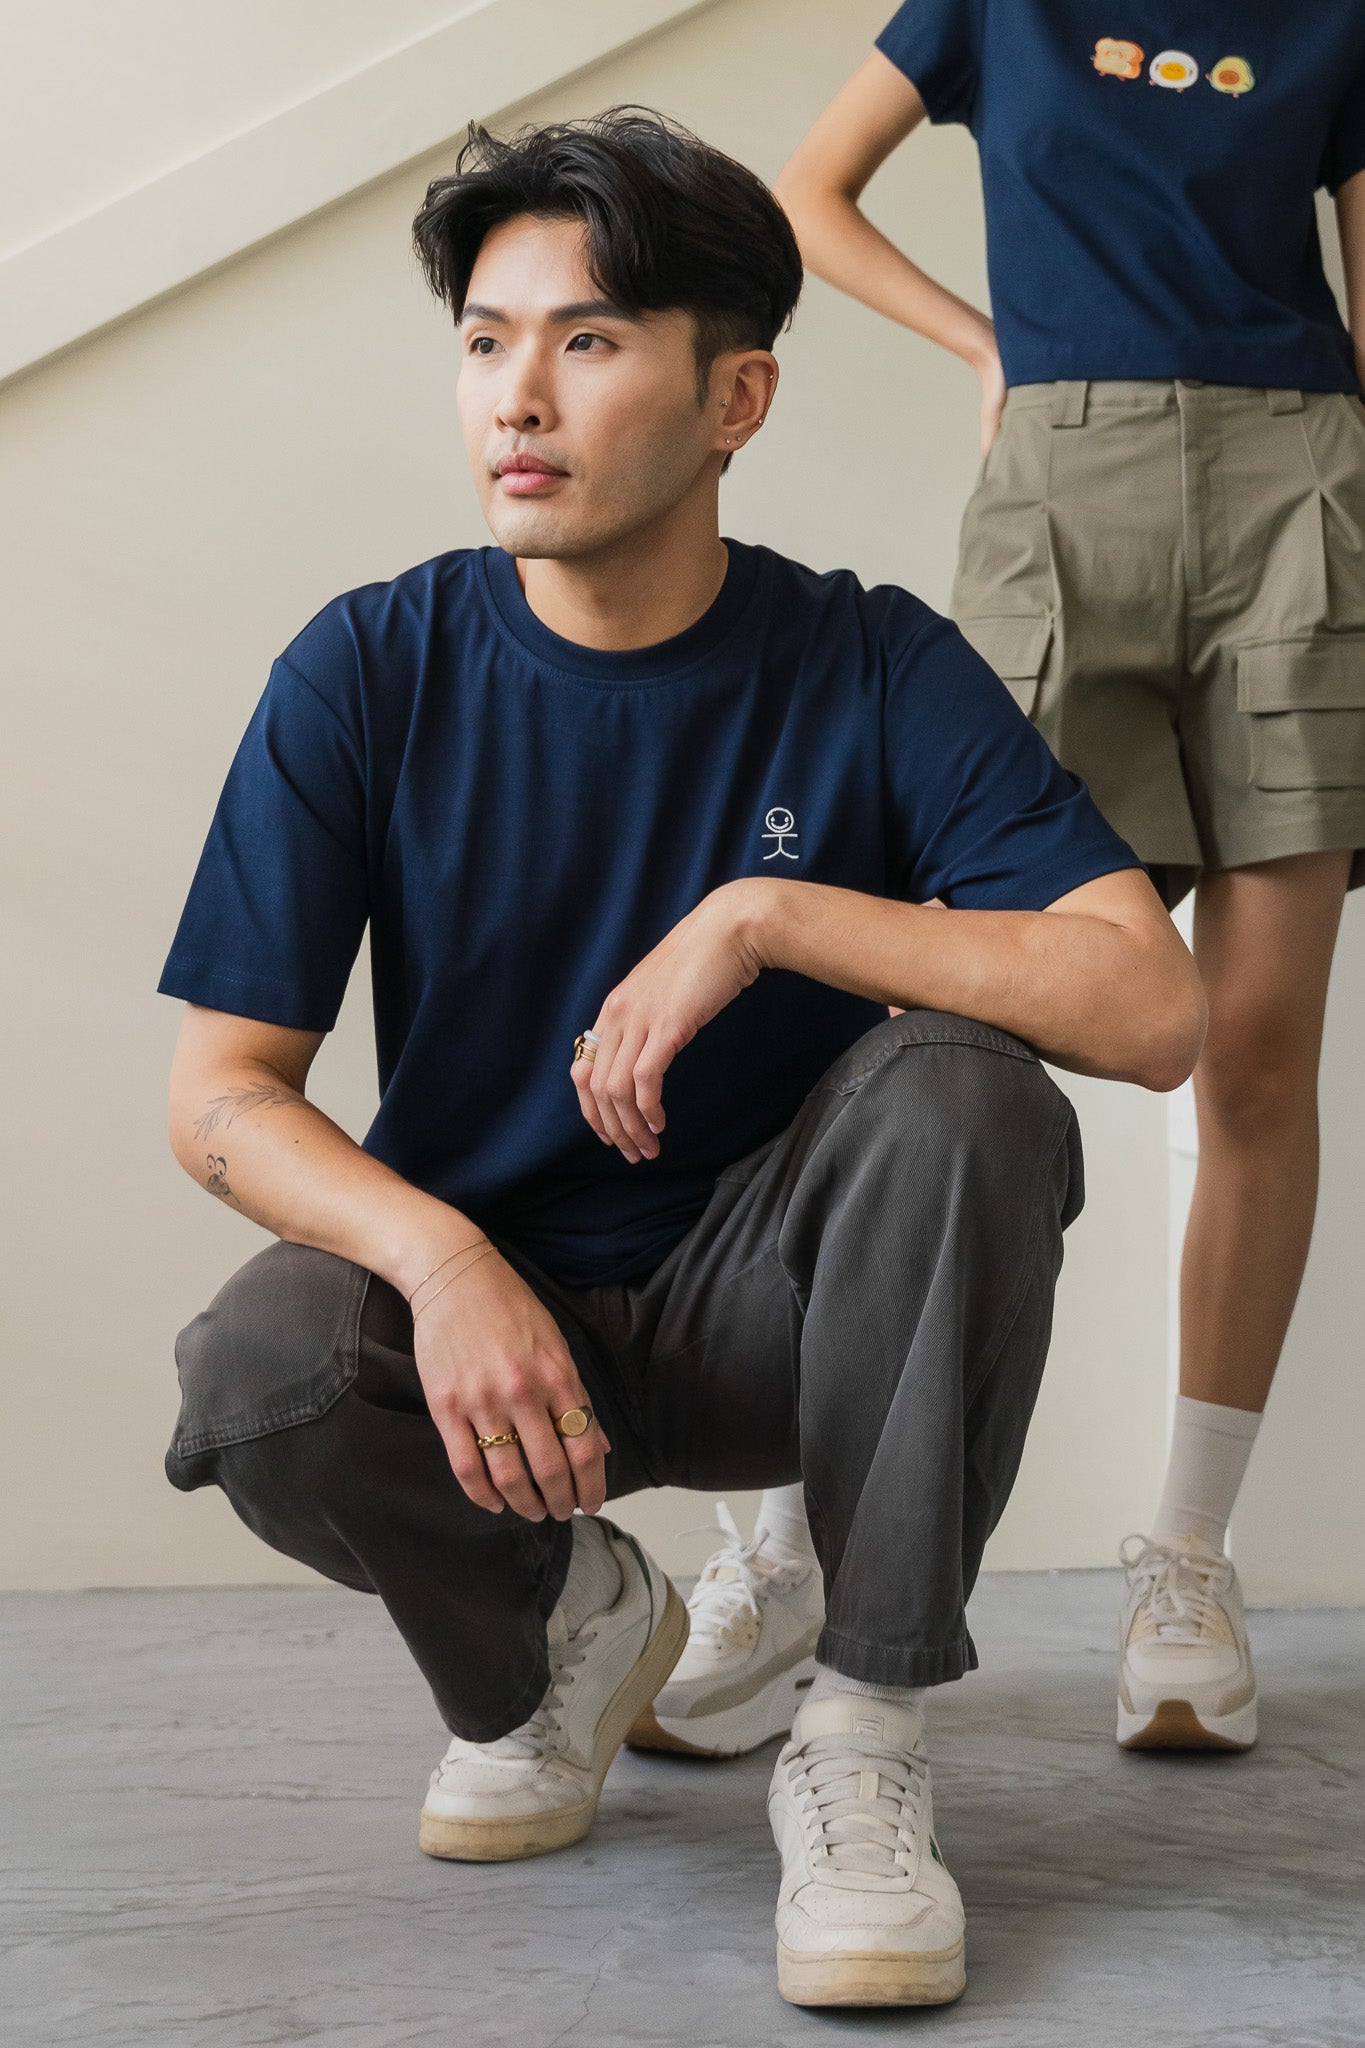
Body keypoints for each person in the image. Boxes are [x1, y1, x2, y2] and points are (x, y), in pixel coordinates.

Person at [158, 110, 1201, 2008]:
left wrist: (770, 915)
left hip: (786, 1326)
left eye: (590, 338)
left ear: (738, 399)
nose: (518, 397)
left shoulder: (866, 665)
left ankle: (864, 1740)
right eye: (487, 339)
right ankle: (564, 1632)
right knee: (256, 1367)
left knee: (968, 1089)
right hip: (503, 1358)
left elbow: (1150, 1010)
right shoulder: (370, 670)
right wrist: (445, 1260)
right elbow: (220, 1094)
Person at [708, 1, 1365, 1762]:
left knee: (1258, 1050)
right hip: (1055, 483)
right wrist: (978, 341)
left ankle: (1187, 1562)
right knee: (931, 1011)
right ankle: (784, 1546)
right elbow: (808, 193)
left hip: (1304, 493)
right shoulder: (994, 4)